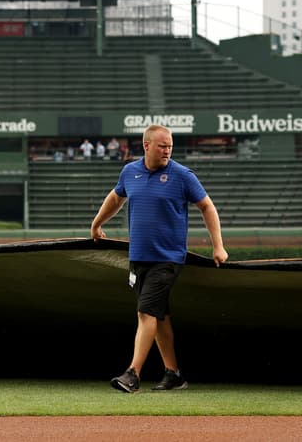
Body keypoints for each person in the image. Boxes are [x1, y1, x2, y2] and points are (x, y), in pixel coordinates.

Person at [90, 124, 228, 393]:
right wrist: (96, 225)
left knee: (145, 312)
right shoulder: (130, 172)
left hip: (168, 259)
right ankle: (174, 374)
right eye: (162, 146)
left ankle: (133, 374)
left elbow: (207, 206)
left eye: (170, 146)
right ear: (147, 145)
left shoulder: (182, 175)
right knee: (159, 316)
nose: (167, 151)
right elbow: (115, 199)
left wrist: (218, 247)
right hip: (139, 257)